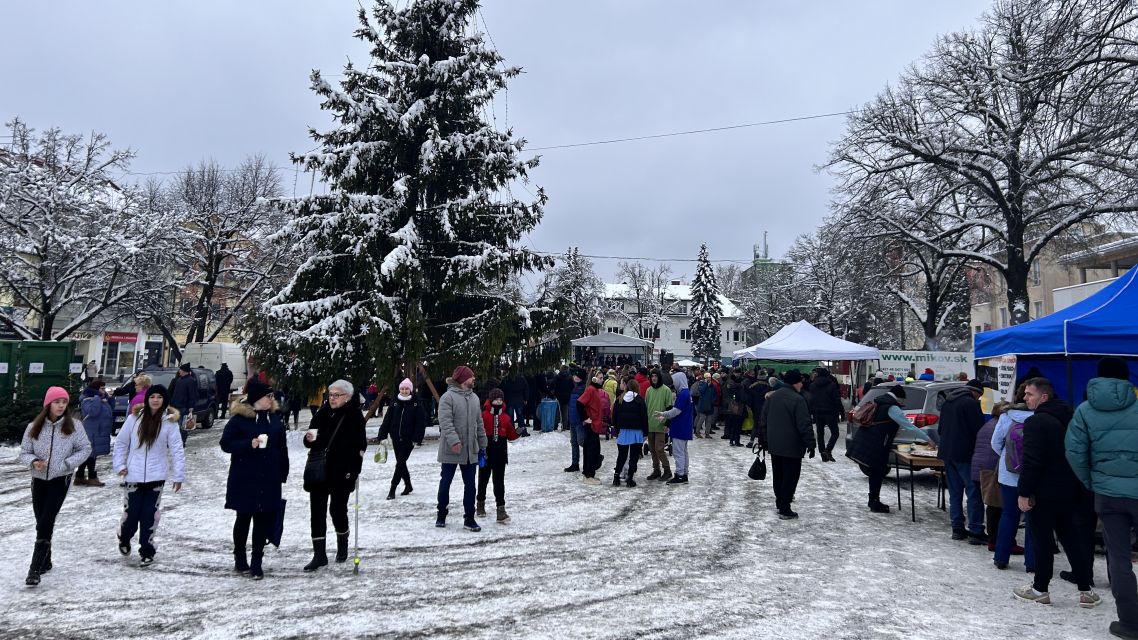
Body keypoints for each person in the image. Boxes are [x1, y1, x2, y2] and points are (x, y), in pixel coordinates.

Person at [1013, 377, 1099, 608]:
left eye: (1029, 394)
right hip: (1069, 490)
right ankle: (1086, 590)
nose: (1024, 398)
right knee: (1071, 540)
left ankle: (1040, 588)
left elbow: (1032, 461)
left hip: (1044, 492)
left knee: (1042, 541)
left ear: (1044, 397)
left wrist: (1024, 492)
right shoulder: (1071, 418)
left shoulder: (1036, 422)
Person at [1066, 356, 1136, 634]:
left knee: (1118, 559)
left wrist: (1091, 481)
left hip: (1108, 495)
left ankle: (1130, 623)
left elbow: (1074, 452)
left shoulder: (1084, 410)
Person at [18, 387, 92, 586]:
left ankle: (34, 569)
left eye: (64, 402)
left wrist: (67, 464)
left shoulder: (74, 426)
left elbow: (85, 449)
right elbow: (24, 452)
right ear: (48, 404)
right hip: (38, 480)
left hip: (60, 479)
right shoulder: (33, 427)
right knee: (41, 521)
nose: (60, 406)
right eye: (57, 402)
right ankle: (46, 560)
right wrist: (34, 461)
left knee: (46, 521)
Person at [220, 380, 288, 580]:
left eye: (271, 396)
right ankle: (240, 557)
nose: (271, 399)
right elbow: (225, 443)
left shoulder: (275, 419)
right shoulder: (240, 419)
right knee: (243, 518)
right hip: (244, 477)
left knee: (262, 520)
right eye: (268, 396)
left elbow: (282, 448)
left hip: (269, 478)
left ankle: (257, 561)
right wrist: (247, 444)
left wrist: (282, 472)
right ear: (257, 398)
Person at [112, 384, 186, 566]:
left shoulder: (169, 423)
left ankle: (147, 549)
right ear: (147, 399)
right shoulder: (134, 419)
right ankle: (124, 537)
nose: (155, 400)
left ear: (164, 400)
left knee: (149, 516)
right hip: (133, 476)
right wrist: (120, 465)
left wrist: (178, 476)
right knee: (132, 515)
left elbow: (177, 450)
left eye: (159, 397)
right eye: (152, 397)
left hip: (156, 477)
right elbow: (121, 443)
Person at [301, 379, 368, 571]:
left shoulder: (354, 416)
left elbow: (360, 446)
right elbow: (310, 439)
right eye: (330, 395)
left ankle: (342, 541)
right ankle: (319, 555)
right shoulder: (322, 413)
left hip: (341, 472)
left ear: (347, 397)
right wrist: (308, 439)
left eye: (337, 395)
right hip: (319, 470)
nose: (332, 398)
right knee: (317, 512)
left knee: (337, 510)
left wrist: (353, 471)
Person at [846, 385, 932, 514]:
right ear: (898, 397)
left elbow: (883, 422)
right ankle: (874, 502)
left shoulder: (880, 400)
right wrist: (928, 439)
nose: (903, 403)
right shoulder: (892, 407)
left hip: (868, 439)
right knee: (877, 472)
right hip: (878, 443)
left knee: (875, 472)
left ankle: (873, 500)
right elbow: (908, 426)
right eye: (903, 400)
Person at [991, 383, 1037, 571]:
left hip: (1008, 475)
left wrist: (1007, 458)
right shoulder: (1040, 417)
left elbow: (995, 443)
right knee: (1033, 519)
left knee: (1009, 515)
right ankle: (1032, 562)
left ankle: (1001, 557)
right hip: (1033, 475)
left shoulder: (1006, 416)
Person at [436, 365, 488, 531]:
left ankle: (469, 518)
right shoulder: (447, 397)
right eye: (471, 376)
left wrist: (483, 443)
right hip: (451, 449)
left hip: (470, 449)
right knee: (445, 482)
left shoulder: (474, 398)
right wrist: (454, 441)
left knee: (470, 485)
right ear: (463, 379)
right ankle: (441, 513)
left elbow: (479, 422)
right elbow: (445, 422)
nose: (474, 379)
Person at [758, 370, 815, 519]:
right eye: (800, 382)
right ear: (795, 383)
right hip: (792, 446)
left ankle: (780, 503)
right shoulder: (798, 400)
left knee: (778, 475)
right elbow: (804, 424)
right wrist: (810, 443)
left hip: (775, 444)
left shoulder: (772, 397)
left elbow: (763, 420)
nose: (802, 385)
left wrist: (764, 439)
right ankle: (785, 508)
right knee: (790, 477)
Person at [937, 379, 987, 543]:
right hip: (965, 454)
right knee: (973, 492)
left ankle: (957, 528)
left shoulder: (948, 402)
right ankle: (976, 530)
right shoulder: (971, 404)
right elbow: (979, 430)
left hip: (947, 453)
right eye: (979, 396)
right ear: (975, 392)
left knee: (955, 492)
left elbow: (940, 429)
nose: (979, 399)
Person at [973, 402, 1023, 555]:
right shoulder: (1002, 424)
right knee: (1000, 508)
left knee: (993, 506)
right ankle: (1000, 541)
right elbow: (999, 447)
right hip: (993, 468)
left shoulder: (988, 424)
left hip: (981, 467)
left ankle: (993, 539)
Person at [378, 378, 427, 500]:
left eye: (406, 389)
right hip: (396, 437)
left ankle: (392, 488)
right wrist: (382, 435)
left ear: (410, 390)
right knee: (401, 463)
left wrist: (417, 438)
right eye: (402, 389)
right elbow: (387, 419)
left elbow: (421, 422)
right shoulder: (395, 402)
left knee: (399, 463)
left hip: (408, 439)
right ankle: (408, 485)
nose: (404, 391)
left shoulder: (416, 403)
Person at [476, 388, 519, 522]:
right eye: (496, 400)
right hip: (485, 452)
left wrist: (517, 432)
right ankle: (480, 504)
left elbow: (511, 435)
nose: (498, 402)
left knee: (499, 482)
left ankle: (501, 510)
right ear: (490, 400)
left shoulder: (505, 417)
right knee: (483, 480)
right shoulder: (483, 415)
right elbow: (477, 432)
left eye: (500, 400)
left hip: (500, 454)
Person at [656, 370, 693, 485]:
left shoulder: (683, 394)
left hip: (680, 427)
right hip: (684, 427)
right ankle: (684, 474)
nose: (674, 384)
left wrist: (664, 414)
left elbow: (676, 411)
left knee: (678, 453)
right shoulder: (686, 393)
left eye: (674, 381)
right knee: (683, 452)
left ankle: (679, 475)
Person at [612, 378, 649, 487]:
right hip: (636, 431)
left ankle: (616, 476)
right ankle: (630, 478)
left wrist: (617, 429)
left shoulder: (620, 399)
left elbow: (614, 416)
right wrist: (645, 432)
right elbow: (644, 417)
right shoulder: (639, 400)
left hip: (623, 431)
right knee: (633, 456)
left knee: (621, 455)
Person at [77, 380, 113, 487]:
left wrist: (111, 399)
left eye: (104, 388)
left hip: (99, 431)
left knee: (91, 454)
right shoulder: (86, 400)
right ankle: (92, 477)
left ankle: (79, 476)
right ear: (95, 390)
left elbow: (110, 410)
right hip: (91, 431)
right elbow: (93, 412)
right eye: (102, 389)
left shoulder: (102, 399)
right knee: (91, 454)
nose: (104, 391)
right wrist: (97, 398)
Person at [577, 372, 608, 485]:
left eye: (602, 378)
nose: (602, 380)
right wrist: (585, 418)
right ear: (594, 379)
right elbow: (579, 403)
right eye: (600, 378)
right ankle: (588, 475)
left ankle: (590, 474)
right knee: (591, 451)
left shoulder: (595, 390)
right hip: (591, 426)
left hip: (595, 426)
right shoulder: (590, 390)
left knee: (593, 451)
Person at [644, 370, 675, 481]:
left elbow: (669, 408)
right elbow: (646, 407)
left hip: (661, 425)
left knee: (659, 449)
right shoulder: (648, 390)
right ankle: (656, 470)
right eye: (652, 376)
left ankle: (667, 470)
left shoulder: (666, 390)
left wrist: (667, 423)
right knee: (652, 449)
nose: (654, 378)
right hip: (650, 424)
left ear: (659, 377)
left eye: (656, 376)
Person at [808, 368, 843, 462]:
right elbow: (836, 399)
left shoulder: (812, 385)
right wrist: (840, 411)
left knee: (820, 434)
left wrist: (811, 411)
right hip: (830, 413)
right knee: (835, 433)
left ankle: (823, 453)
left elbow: (811, 400)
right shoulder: (832, 385)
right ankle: (828, 450)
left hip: (818, 413)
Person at [564, 367, 587, 472]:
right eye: (574, 375)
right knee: (574, 442)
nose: (575, 377)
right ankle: (575, 463)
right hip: (573, 419)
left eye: (577, 376)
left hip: (579, 420)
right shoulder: (574, 387)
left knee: (582, 441)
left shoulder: (583, 389)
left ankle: (594, 457)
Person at [169, 364, 199, 445]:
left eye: (180, 370)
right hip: (175, 406)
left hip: (184, 407)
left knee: (183, 426)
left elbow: (192, 395)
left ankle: (182, 442)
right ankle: (175, 441)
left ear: (184, 371)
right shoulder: (179, 380)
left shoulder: (191, 381)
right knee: (174, 426)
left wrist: (191, 406)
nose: (179, 371)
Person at [500, 370, 530, 437]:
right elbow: (526, 388)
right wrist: (526, 398)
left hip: (509, 400)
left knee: (510, 417)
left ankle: (511, 432)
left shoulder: (506, 379)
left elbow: (502, 388)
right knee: (520, 416)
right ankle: (523, 431)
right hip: (519, 400)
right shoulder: (521, 379)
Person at [694, 372, 717, 439]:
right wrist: (706, 384)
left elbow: (715, 394)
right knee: (702, 419)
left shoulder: (712, 385)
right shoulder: (701, 384)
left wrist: (713, 400)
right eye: (707, 378)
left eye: (709, 378)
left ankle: (707, 433)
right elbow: (701, 391)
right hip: (703, 405)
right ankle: (697, 432)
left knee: (709, 420)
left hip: (710, 405)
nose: (708, 379)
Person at [554, 365, 574, 432]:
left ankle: (555, 425)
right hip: (567, 396)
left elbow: (554, 385)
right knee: (565, 412)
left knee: (557, 412)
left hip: (558, 396)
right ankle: (564, 426)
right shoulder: (570, 377)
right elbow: (572, 387)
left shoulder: (557, 376)